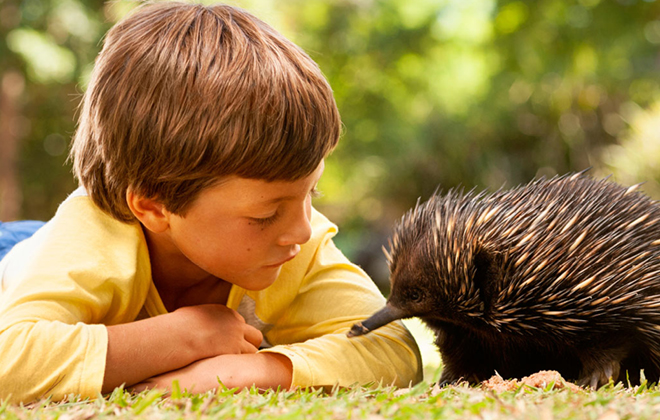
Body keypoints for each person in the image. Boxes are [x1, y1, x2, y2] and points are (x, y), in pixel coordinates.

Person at [0, 2, 421, 403]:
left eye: (311, 193)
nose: (302, 229)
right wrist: (186, 335)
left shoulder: (295, 242)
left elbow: (391, 349)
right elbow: (9, 361)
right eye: (266, 214)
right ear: (152, 206)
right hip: (20, 253)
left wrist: (250, 372)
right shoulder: (89, 242)